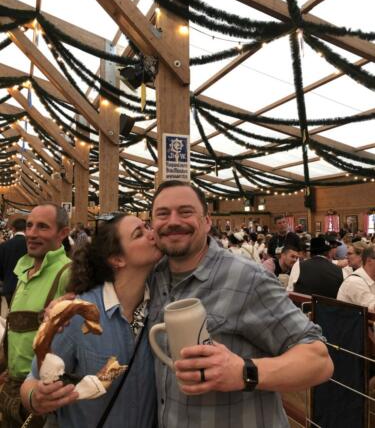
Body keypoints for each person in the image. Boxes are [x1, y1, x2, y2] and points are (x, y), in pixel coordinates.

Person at [149, 180, 333, 428]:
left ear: (207, 221)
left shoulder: (248, 278)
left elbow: (319, 361)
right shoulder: (153, 275)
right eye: (163, 214)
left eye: (185, 212)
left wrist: (244, 372)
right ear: (152, 224)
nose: (172, 221)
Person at [20, 213, 160, 428]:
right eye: (139, 233)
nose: (152, 235)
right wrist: (36, 398)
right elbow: (32, 381)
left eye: (148, 227)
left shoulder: (160, 306)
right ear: (117, 259)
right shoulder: (76, 315)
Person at [0, 204, 71, 428]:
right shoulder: (24, 269)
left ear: (63, 233)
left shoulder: (68, 272)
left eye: (42, 227)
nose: (32, 233)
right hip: (12, 385)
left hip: (41, 393)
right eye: (30, 226)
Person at [337, 244, 375, 310]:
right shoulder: (355, 282)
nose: (346, 256)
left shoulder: (368, 277)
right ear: (369, 260)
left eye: (349, 254)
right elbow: (373, 308)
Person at [0, 217, 27, 308]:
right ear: (26, 229)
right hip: (25, 287)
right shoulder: (30, 245)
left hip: (9, 286)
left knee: (11, 311)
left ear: (13, 229)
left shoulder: (4, 246)